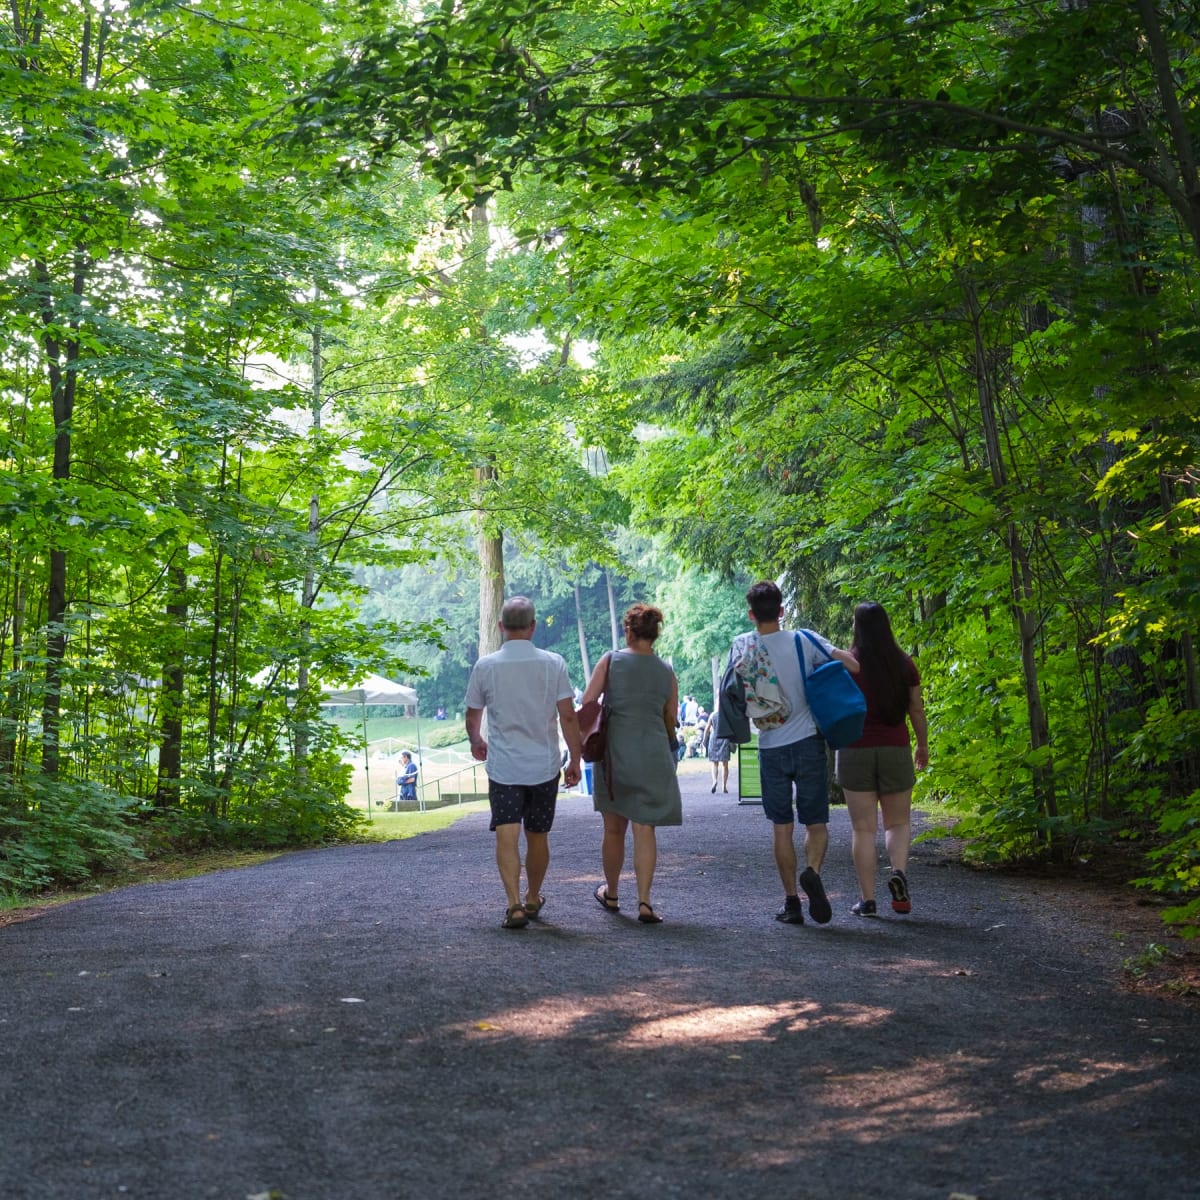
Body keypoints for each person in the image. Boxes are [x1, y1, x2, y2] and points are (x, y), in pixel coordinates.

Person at [726, 580, 859, 926]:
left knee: (781, 828)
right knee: (816, 823)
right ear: (782, 610)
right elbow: (853, 666)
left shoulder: (741, 646)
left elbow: (732, 695)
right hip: (808, 741)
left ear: (752, 614)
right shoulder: (804, 639)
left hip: (769, 746)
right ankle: (812, 871)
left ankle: (791, 903)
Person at [464, 596, 583, 930]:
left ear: (501, 627)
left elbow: (473, 714)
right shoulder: (553, 663)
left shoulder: (485, 667)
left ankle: (513, 903)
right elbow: (568, 717)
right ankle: (533, 896)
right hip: (543, 766)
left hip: (504, 767)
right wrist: (576, 757)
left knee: (506, 834)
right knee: (538, 836)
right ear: (532, 626)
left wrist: (476, 740)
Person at [579, 603, 682, 925]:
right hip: (653, 754)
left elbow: (587, 701)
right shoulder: (666, 671)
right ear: (654, 634)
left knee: (613, 829)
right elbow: (671, 716)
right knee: (645, 827)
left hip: (615, 753)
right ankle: (645, 901)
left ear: (628, 630)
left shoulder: (611, 661)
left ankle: (611, 892)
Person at [834, 602, 929, 917]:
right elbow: (916, 709)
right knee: (898, 823)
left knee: (863, 829)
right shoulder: (904, 664)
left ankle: (868, 900)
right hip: (895, 748)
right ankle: (898, 873)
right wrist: (922, 746)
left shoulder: (849, 664)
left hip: (854, 749)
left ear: (857, 628)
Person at [705, 704, 732, 793]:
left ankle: (714, 781)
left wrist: (704, 740)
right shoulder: (727, 715)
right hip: (724, 739)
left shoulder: (713, 715)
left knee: (714, 763)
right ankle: (724, 786)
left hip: (714, 739)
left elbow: (707, 728)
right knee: (725, 765)